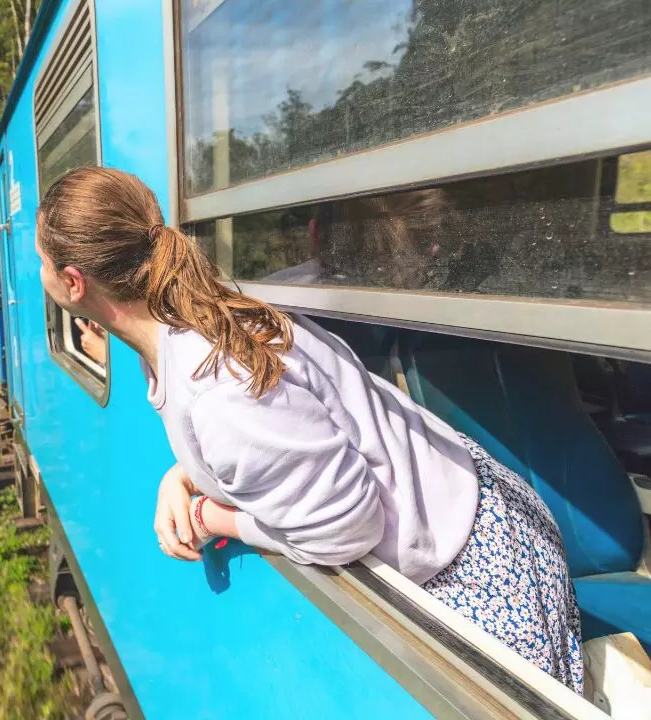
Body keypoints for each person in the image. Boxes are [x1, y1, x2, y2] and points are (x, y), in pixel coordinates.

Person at [34, 166, 583, 693]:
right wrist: (182, 476)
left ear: (73, 282)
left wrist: (210, 516)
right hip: (470, 504)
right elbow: (288, 428)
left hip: (480, 567)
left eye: (42, 262)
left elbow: (345, 530)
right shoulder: (192, 321)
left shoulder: (214, 390)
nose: (38, 273)